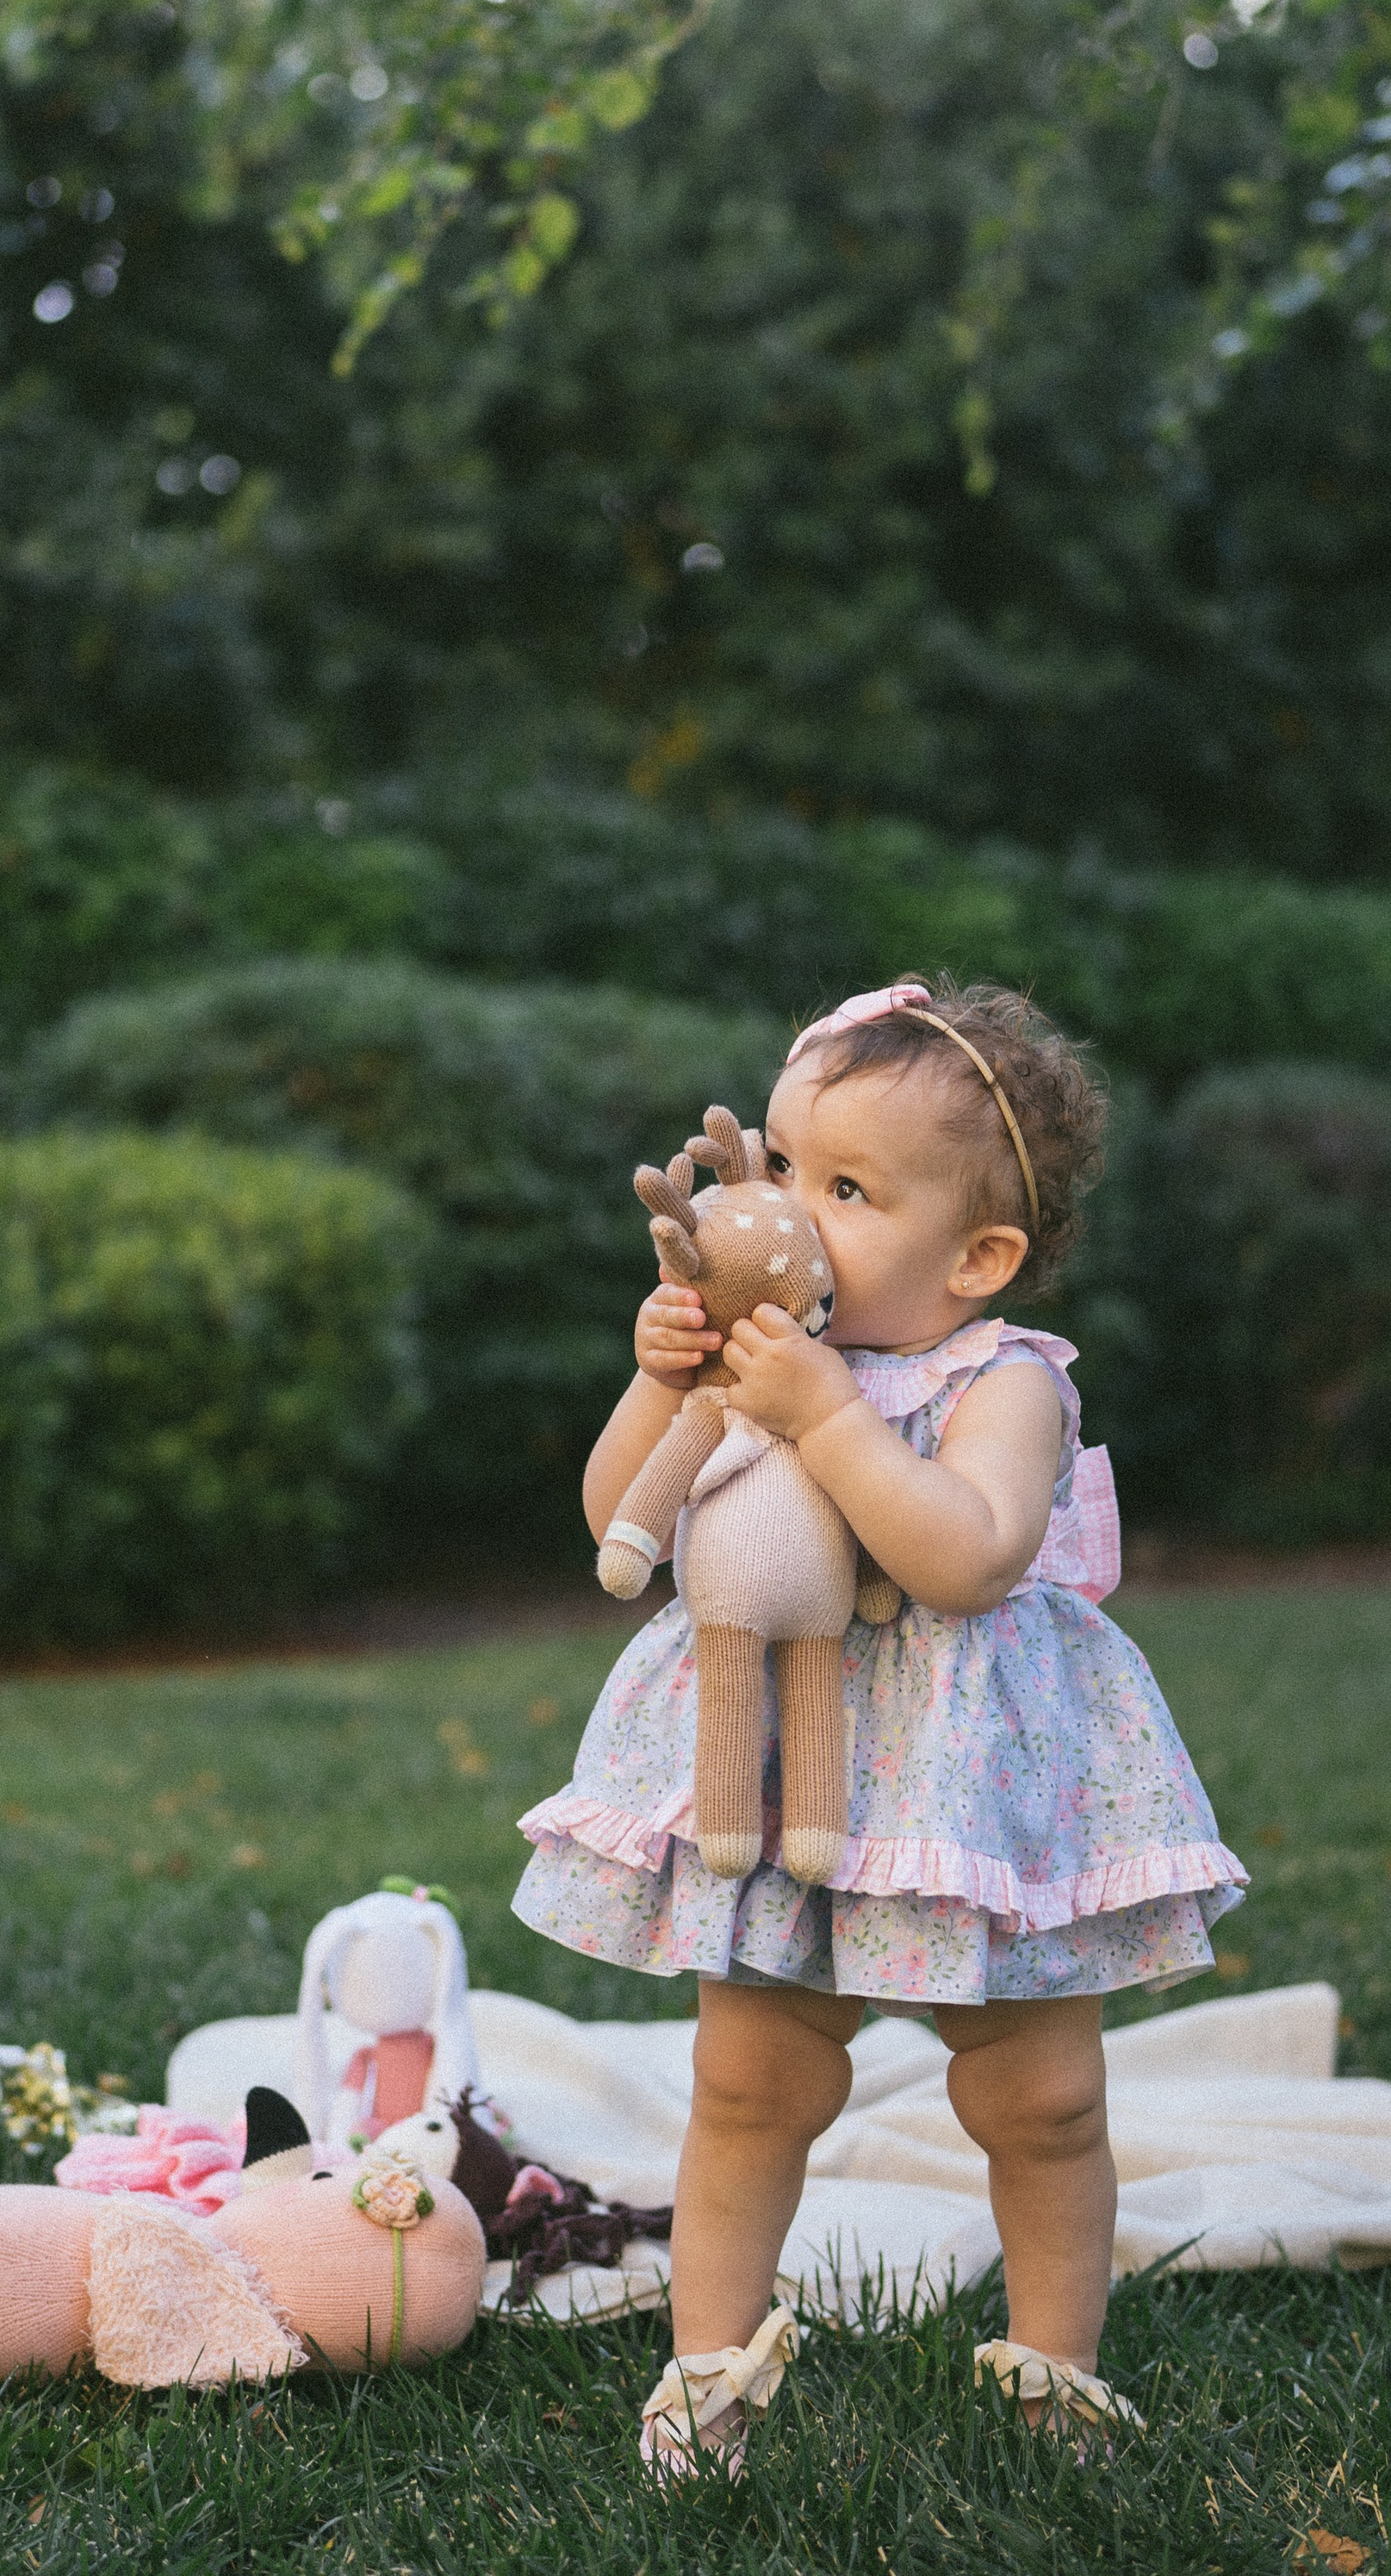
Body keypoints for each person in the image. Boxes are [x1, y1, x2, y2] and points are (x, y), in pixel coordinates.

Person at [512, 979, 1246, 2475]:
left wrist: (833, 1416)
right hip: (783, 1773)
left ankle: (1056, 2368)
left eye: (844, 1189)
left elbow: (965, 1561)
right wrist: (659, 1386)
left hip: (974, 1790)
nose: (786, 1210)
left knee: (1037, 2095)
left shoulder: (1005, 1386)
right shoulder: (745, 1359)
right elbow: (617, 1522)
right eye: (779, 1166)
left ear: (980, 1257)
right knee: (749, 2078)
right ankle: (709, 2369)